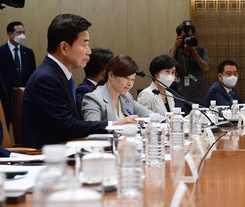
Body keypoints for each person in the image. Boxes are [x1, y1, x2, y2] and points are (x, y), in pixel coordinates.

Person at [22, 14, 136, 148]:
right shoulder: (46, 78)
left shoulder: (60, 74)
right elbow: (67, 126)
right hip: (48, 156)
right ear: (64, 47)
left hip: (67, 149)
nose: (89, 52)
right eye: (85, 44)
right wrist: (113, 124)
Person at [83, 54, 152, 122]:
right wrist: (118, 124)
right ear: (111, 75)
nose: (130, 84)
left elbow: (148, 114)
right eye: (126, 78)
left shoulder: (126, 97)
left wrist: (162, 120)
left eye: (133, 79)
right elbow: (92, 128)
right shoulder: (94, 98)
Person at [170, 20, 210, 105]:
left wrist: (194, 52)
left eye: (190, 36)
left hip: (197, 94)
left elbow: (206, 68)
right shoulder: (175, 51)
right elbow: (165, 66)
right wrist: (175, 48)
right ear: (178, 37)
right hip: (179, 93)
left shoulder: (200, 50)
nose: (187, 39)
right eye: (184, 37)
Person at [0, 21, 37, 91]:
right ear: (9, 34)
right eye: (19, 33)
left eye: (23, 32)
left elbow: (33, 75)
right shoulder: (1, 52)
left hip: (25, 94)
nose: (22, 36)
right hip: (5, 94)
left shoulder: (28, 52)